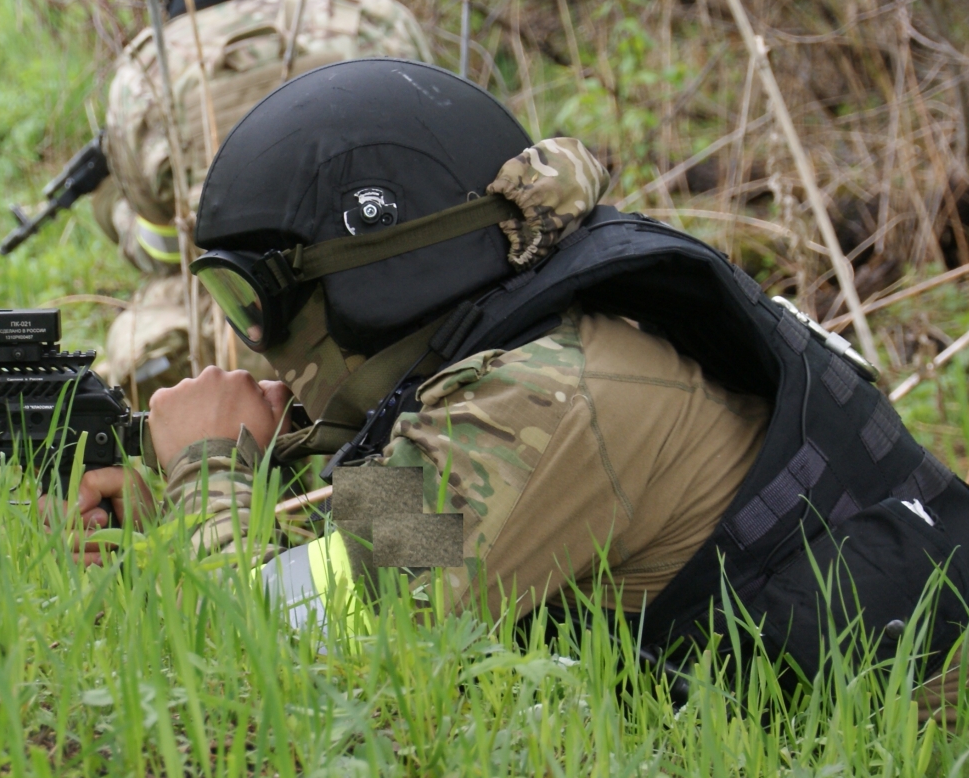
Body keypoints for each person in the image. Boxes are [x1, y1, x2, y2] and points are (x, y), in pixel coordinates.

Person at [58, 58, 969, 684]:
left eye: (251, 299)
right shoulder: (535, 353)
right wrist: (216, 501)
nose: (252, 337)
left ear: (377, 279)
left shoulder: (543, 397)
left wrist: (207, 471)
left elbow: (300, 649)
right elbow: (376, 532)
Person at [92, 0, 432, 403]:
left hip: (250, 342)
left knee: (158, 307)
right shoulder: (374, 23)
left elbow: (163, 249)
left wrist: (109, 206)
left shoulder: (147, 73)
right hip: (408, 308)